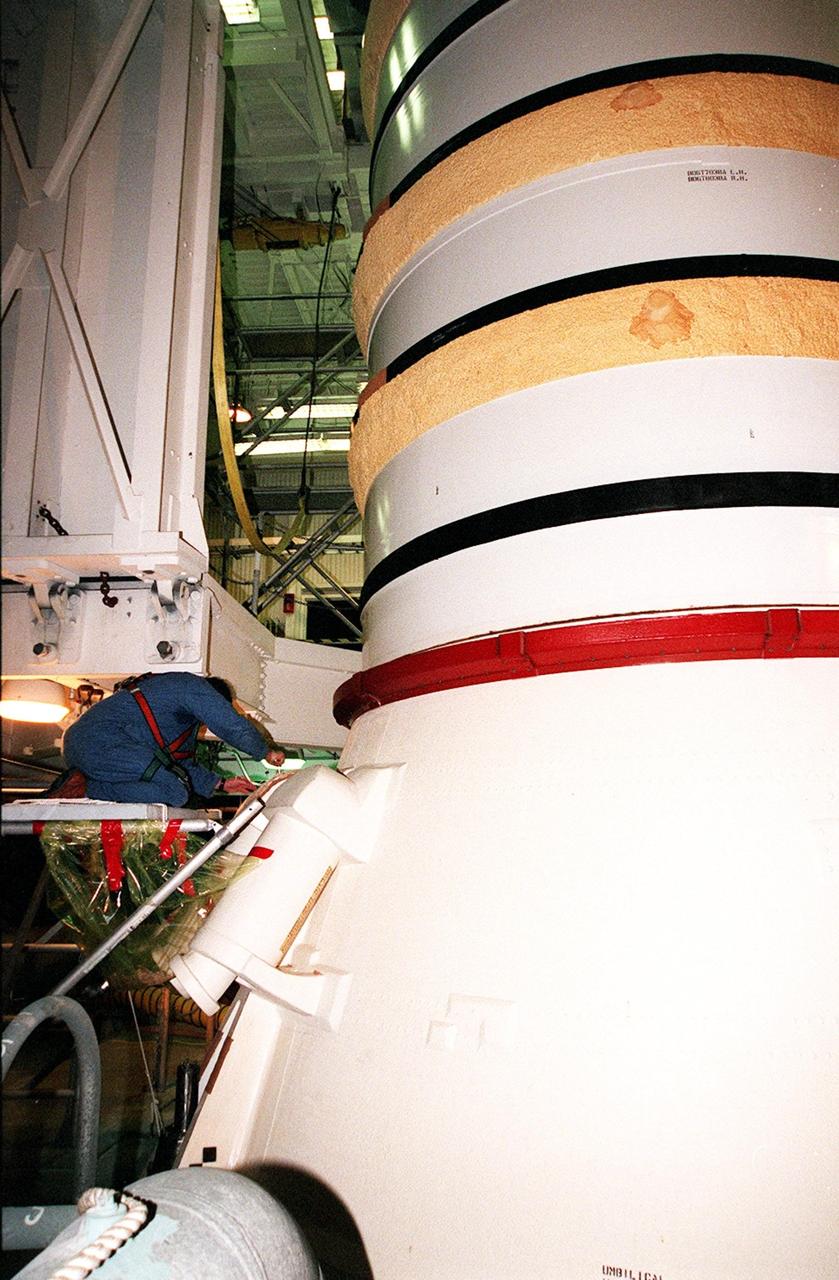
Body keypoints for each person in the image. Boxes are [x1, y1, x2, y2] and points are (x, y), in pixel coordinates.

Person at [61, 672, 285, 806]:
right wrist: (265, 751)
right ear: (212, 698)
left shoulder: (181, 723)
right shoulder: (190, 685)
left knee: (178, 787)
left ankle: (84, 785)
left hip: (90, 750)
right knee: (176, 792)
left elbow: (180, 764)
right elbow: (229, 723)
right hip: (96, 742)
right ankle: (85, 789)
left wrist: (222, 784)